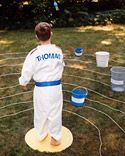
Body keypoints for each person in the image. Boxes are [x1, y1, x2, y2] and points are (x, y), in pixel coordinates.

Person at [19, 22, 65, 146]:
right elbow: (61, 66)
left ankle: (41, 134)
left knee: (41, 111)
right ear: (51, 34)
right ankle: (55, 137)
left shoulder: (33, 54)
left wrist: (23, 82)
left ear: (36, 36)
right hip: (56, 88)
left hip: (41, 89)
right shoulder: (58, 51)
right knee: (55, 112)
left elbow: (27, 70)